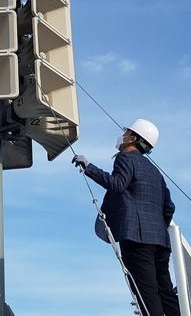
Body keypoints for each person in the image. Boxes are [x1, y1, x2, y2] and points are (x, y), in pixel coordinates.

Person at [72, 118, 180, 316]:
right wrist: (156, 228)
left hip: (135, 238)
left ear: (133, 138)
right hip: (160, 241)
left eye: (126, 132)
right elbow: (169, 207)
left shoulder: (125, 158)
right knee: (165, 290)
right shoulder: (155, 172)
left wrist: (88, 167)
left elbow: (117, 184)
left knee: (146, 292)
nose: (123, 135)